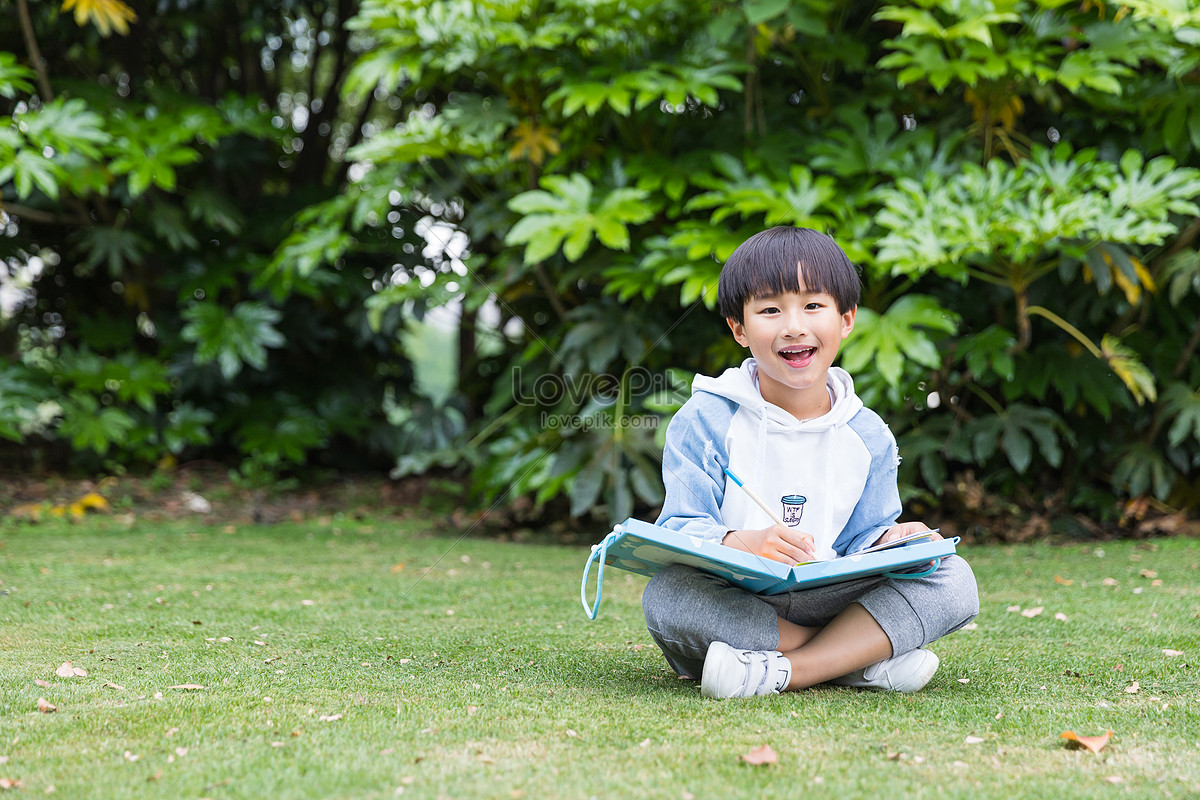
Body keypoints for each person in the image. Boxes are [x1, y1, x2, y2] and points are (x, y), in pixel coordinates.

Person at [642, 226, 979, 699]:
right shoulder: (705, 418)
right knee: (667, 594)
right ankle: (855, 660)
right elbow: (681, 526)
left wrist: (895, 540)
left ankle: (783, 671)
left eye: (813, 306)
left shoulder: (868, 435)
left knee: (953, 577)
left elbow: (864, 539)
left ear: (846, 319)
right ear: (738, 328)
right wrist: (743, 542)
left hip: (831, 599)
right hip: (740, 600)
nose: (794, 325)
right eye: (770, 309)